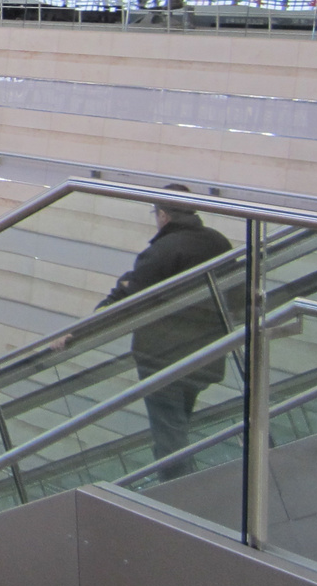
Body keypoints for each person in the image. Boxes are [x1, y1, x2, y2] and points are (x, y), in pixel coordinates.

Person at [96, 185, 233, 481]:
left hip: (162, 358)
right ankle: (183, 485)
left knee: (169, 435)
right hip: (207, 353)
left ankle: (176, 495)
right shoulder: (219, 243)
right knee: (178, 426)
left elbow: (133, 298)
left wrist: (81, 331)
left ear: (163, 215)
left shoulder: (161, 250)